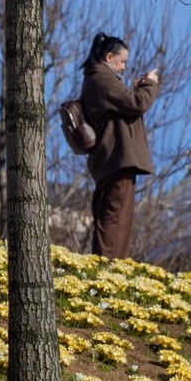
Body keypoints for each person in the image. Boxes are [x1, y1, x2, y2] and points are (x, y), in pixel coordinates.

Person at [80, 32, 160, 260]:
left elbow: (123, 105)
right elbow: (137, 103)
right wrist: (150, 85)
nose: (124, 67)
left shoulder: (97, 78)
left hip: (112, 157)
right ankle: (109, 265)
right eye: (122, 61)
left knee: (117, 213)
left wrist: (136, 88)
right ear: (109, 57)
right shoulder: (103, 78)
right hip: (117, 156)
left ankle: (110, 263)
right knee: (116, 214)